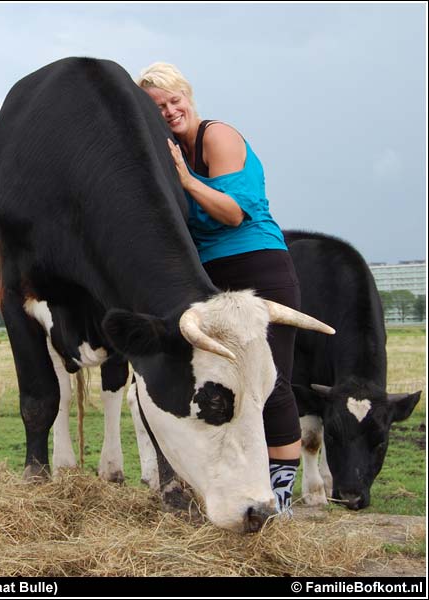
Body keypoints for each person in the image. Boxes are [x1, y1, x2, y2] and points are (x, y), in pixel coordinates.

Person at [137, 62, 301, 515]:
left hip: (259, 267)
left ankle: (281, 495)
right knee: (225, 384)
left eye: (176, 100)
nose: (170, 111)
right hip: (208, 281)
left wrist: (186, 181)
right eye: (158, 107)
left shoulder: (217, 136)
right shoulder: (166, 152)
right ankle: (237, 489)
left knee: (270, 383)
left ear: (189, 98)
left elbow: (231, 214)